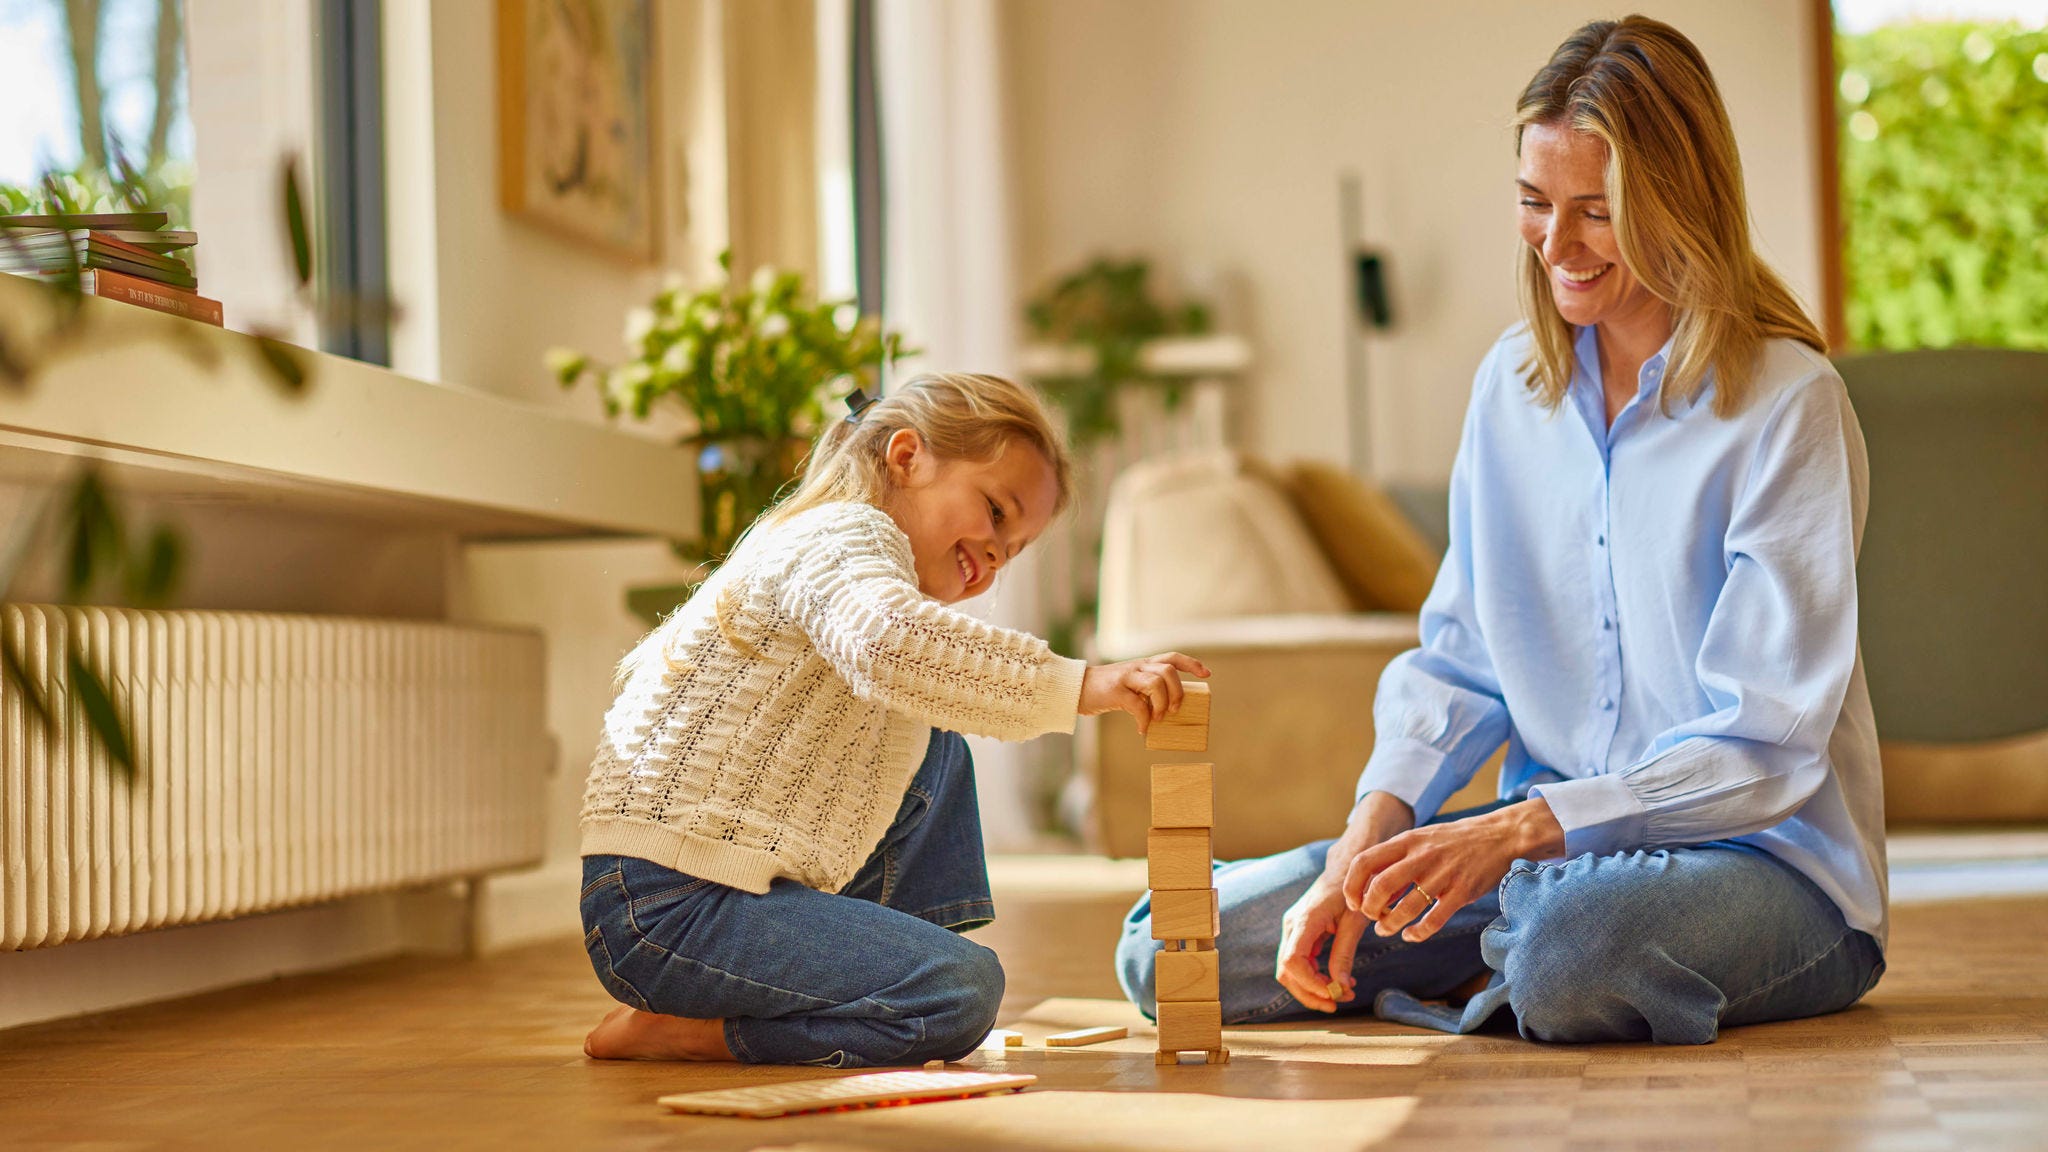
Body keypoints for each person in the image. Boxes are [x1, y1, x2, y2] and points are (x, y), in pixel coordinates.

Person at [1115, 15, 1886, 1044]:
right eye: (1533, 204)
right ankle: (1490, 973)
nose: (1554, 246)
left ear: (1677, 202)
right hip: (1538, 872)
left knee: (1573, 951)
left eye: (1594, 213)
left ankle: (1491, 972)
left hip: (1761, 870)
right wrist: (1366, 844)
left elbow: (1766, 744)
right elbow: (1464, 657)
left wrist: (1516, 830)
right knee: (1170, 944)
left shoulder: (1788, 406)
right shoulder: (1509, 391)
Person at [578, 371, 1208, 1067]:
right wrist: (1086, 684)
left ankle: (889, 974)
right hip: (667, 909)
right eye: (996, 512)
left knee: (937, 741)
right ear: (907, 458)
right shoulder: (839, 535)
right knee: (960, 991)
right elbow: (892, 645)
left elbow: (922, 675)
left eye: (1016, 548)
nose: (997, 553)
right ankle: (700, 1032)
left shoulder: (858, 554)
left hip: (728, 893)